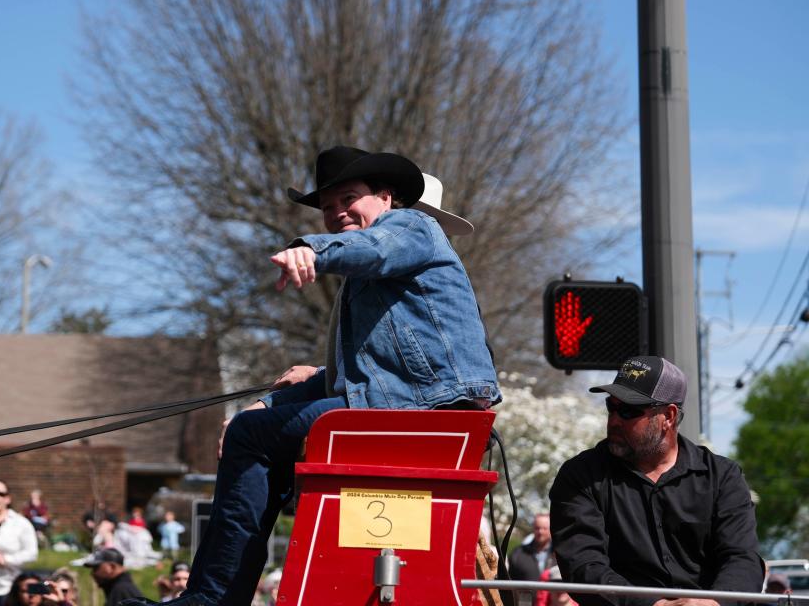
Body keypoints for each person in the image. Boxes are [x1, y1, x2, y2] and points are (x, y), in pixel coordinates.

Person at [152, 146, 501, 606]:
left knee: (249, 437)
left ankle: (214, 597)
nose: (337, 213)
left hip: (422, 408)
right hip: (407, 405)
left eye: (348, 199)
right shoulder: (375, 283)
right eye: (327, 207)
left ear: (385, 196)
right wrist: (272, 399)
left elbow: (373, 249)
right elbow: (369, 373)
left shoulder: (413, 227)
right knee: (256, 429)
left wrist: (309, 248)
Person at [549, 356, 763, 606]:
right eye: (611, 406)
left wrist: (713, 603)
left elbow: (742, 558)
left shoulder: (722, 476)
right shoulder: (580, 475)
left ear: (669, 416)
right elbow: (583, 564)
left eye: (628, 410)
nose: (614, 420)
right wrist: (651, 604)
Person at [509, 514, 556, 606]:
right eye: (537, 528)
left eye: (544, 528)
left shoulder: (560, 553)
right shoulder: (518, 553)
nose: (540, 532)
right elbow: (510, 582)